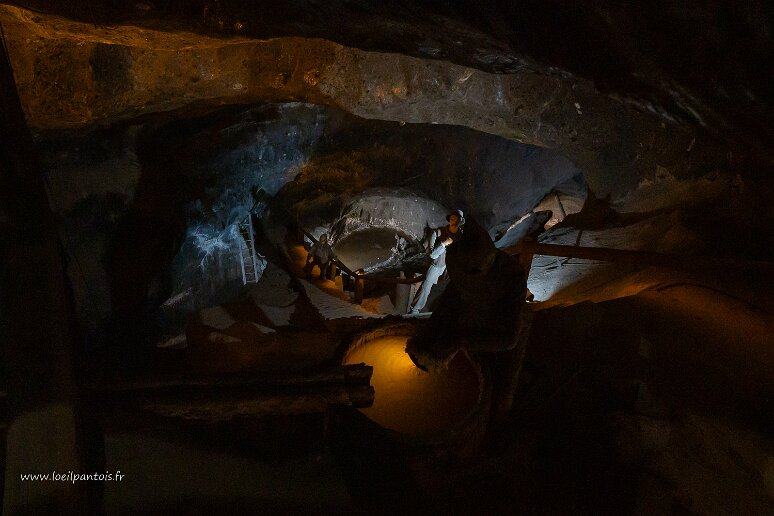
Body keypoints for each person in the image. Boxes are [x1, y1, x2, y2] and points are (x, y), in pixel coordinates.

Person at [410, 209, 464, 314]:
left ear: (460, 222)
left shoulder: (461, 236)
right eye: (452, 219)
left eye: (457, 220)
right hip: (437, 265)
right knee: (426, 287)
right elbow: (432, 255)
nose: (454, 222)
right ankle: (414, 310)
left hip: (450, 266)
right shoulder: (439, 232)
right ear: (450, 220)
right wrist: (444, 244)